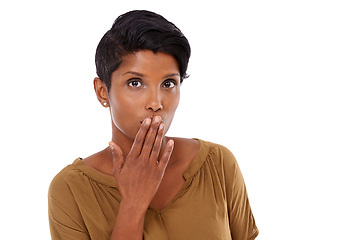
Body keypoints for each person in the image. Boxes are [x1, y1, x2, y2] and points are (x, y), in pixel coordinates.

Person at [48, 10, 259, 240]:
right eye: (135, 82)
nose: (156, 103)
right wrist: (133, 204)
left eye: (169, 83)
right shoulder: (70, 190)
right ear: (102, 91)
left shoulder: (218, 164)